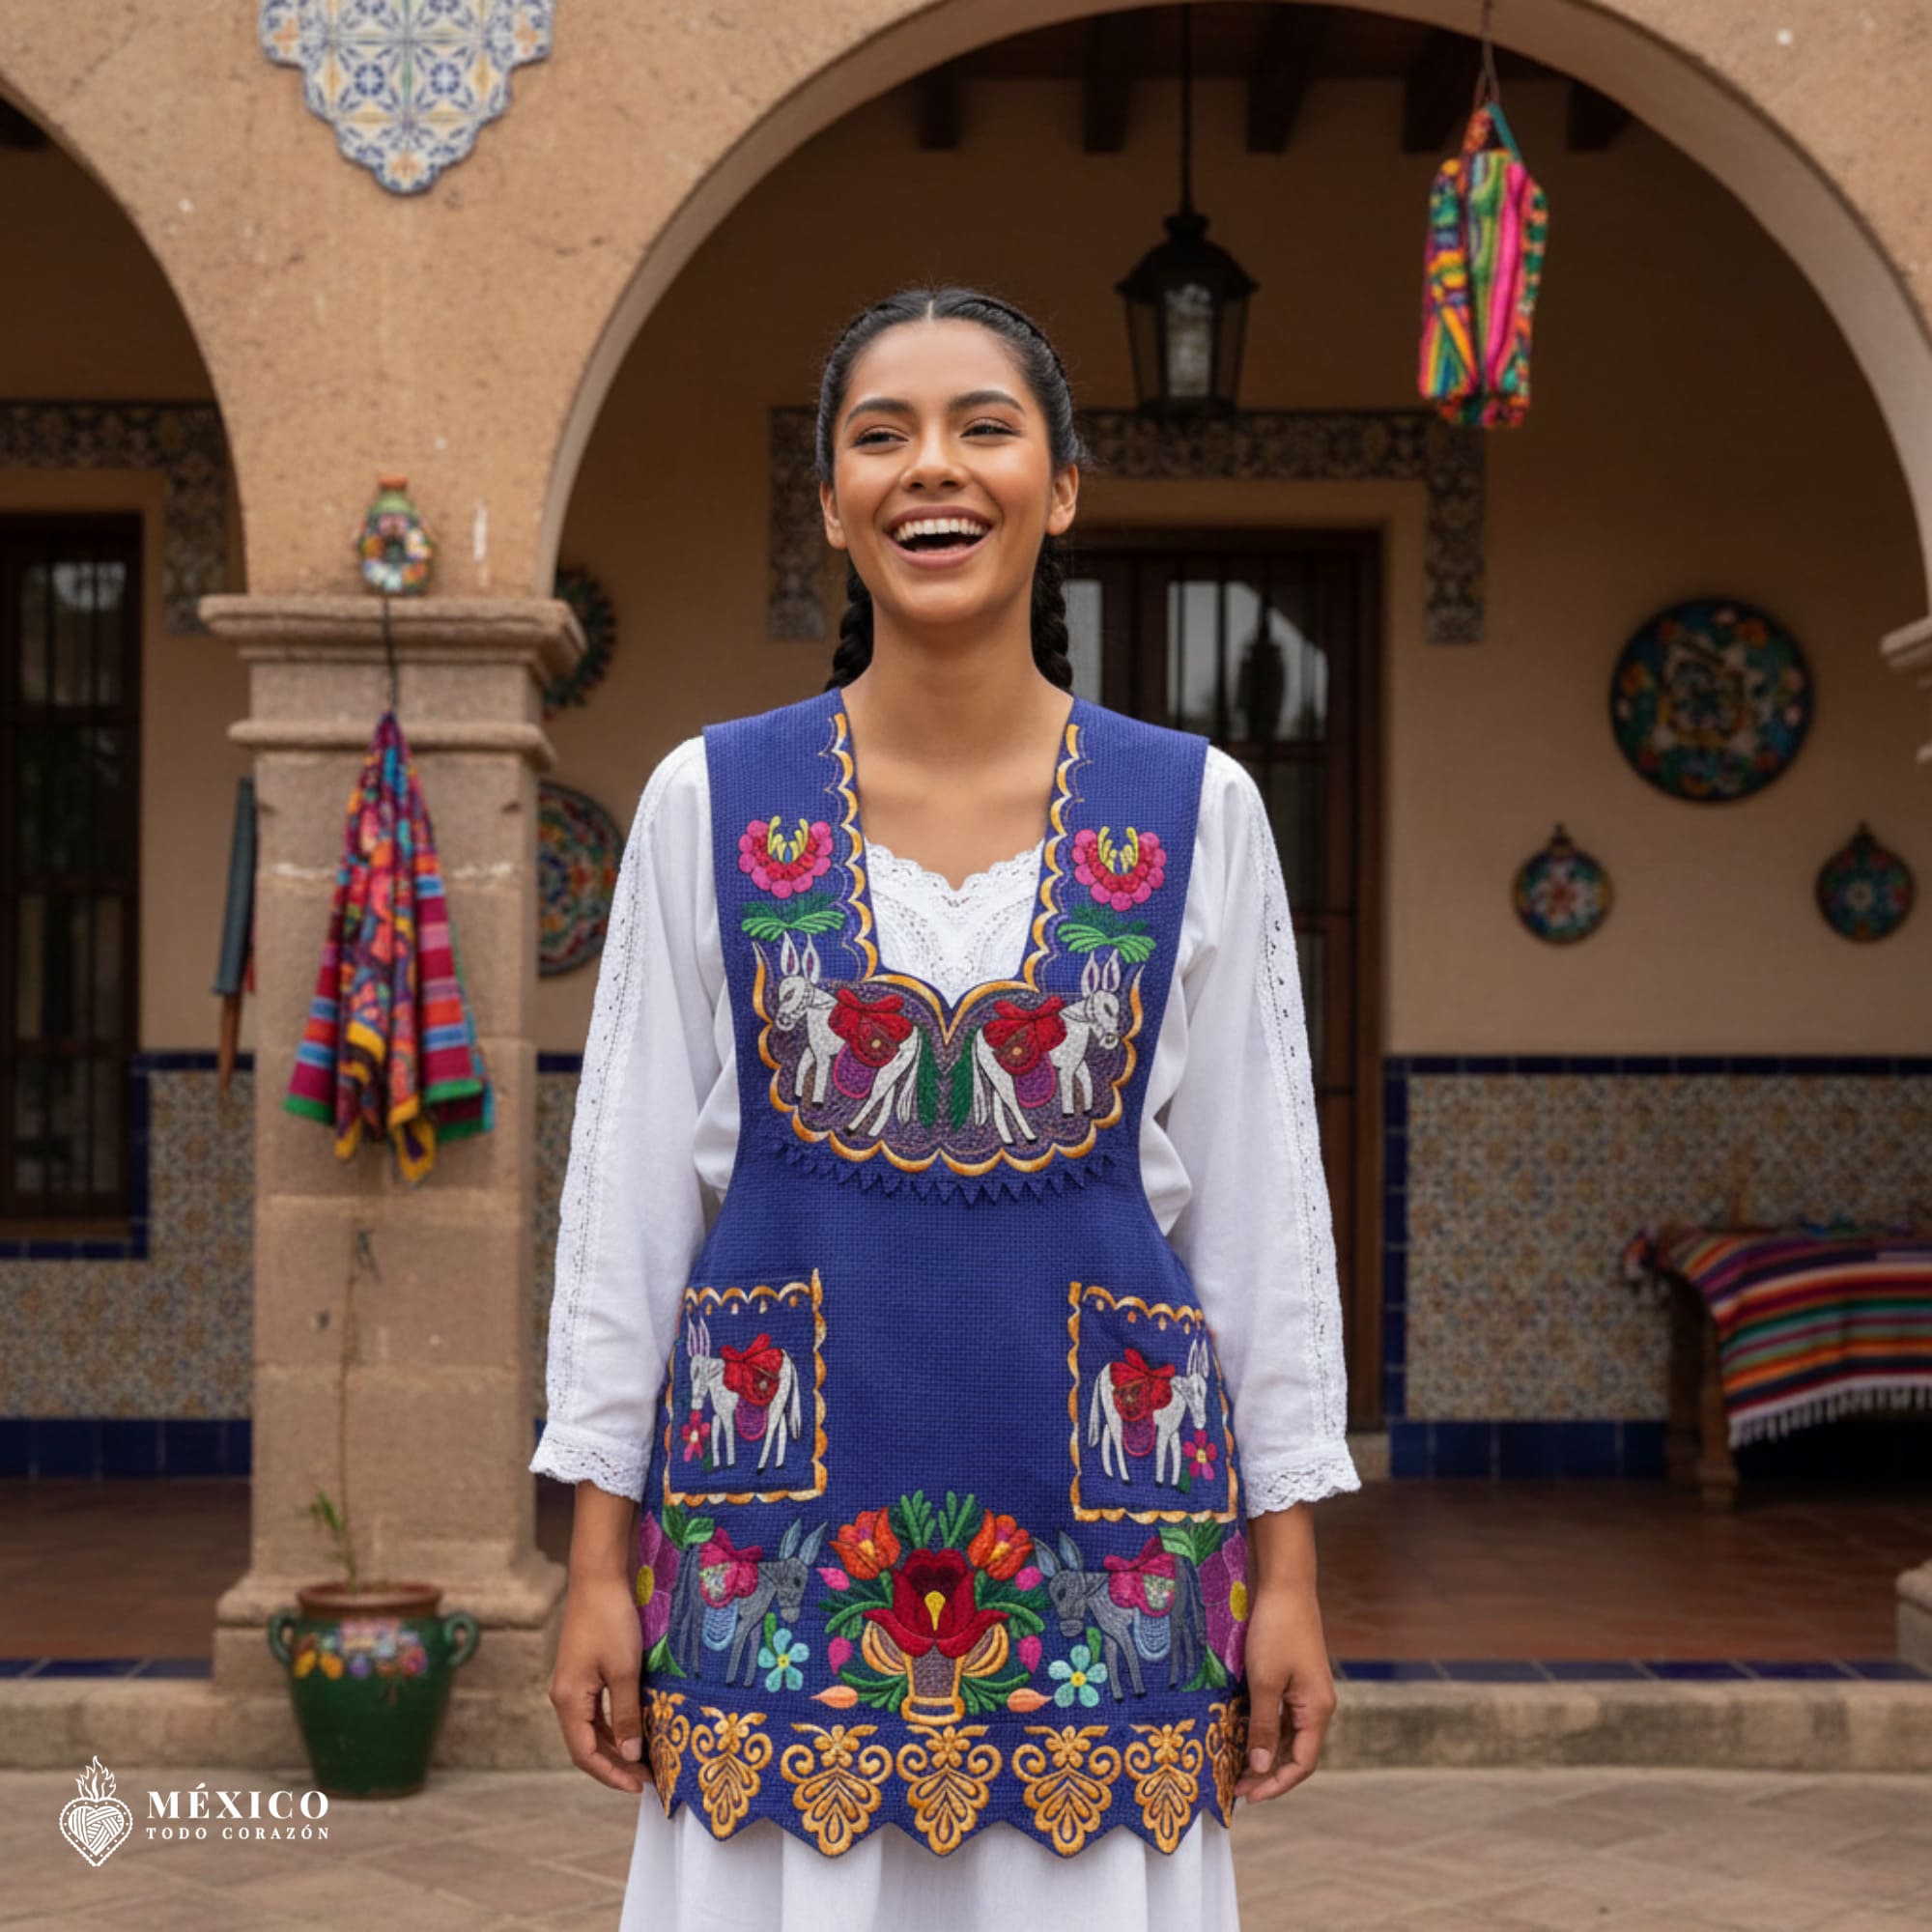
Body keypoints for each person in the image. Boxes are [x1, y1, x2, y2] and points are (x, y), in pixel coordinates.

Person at [531, 284, 1359, 1930]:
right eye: (881, 435)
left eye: (986, 427)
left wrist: (1288, 1574)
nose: (934, 468)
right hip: (776, 1559)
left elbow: (1264, 1217)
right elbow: (626, 1207)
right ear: (832, 504)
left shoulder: (1197, 811)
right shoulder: (711, 801)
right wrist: (594, 1564)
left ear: (1063, 488)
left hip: (1107, 1569)